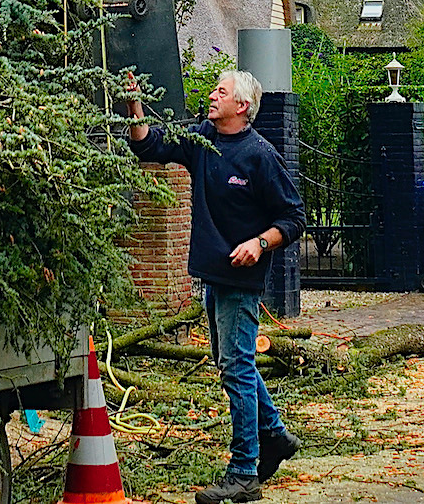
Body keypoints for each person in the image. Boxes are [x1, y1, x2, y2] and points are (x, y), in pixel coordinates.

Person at [126, 68, 306, 503]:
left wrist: (260, 243)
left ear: (241, 107)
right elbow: (149, 145)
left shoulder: (259, 155)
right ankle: (277, 437)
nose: (211, 96)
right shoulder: (203, 139)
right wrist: (133, 103)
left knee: (237, 368)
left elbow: (294, 218)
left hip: (242, 281)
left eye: (220, 92)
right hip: (213, 274)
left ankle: (244, 472)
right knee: (233, 363)